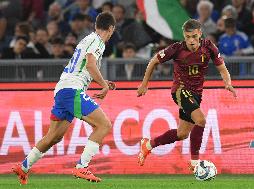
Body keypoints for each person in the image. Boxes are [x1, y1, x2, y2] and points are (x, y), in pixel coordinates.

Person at [12, 12, 116, 185]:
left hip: (63, 89)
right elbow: (90, 64)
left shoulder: (88, 38)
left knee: (54, 137)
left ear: (95, 25)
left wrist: (103, 81)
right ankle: (82, 166)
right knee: (103, 125)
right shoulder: (98, 41)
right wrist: (103, 86)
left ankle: (23, 167)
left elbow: (83, 67)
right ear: (111, 28)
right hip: (72, 90)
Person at [137, 19, 237, 173]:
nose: (191, 40)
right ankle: (195, 162)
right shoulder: (176, 49)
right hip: (180, 90)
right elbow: (153, 61)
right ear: (184, 35)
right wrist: (144, 84)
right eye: (188, 36)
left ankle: (148, 145)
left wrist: (228, 82)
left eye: (194, 36)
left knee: (182, 134)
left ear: (200, 34)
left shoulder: (209, 47)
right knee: (201, 120)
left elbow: (222, 68)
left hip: (196, 94)